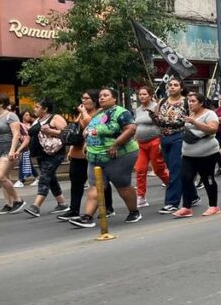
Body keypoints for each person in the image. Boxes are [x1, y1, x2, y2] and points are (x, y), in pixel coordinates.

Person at [68, 88, 142, 227]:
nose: (101, 98)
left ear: (114, 98)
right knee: (95, 186)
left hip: (119, 155)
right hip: (96, 156)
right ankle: (87, 217)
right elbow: (90, 129)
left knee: (122, 185)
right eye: (100, 96)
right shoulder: (99, 113)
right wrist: (87, 143)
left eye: (105, 95)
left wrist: (116, 145)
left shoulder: (121, 112)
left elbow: (131, 129)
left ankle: (134, 212)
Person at [59, 90, 114, 221]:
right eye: (82, 98)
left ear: (94, 100)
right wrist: (71, 148)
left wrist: (83, 113)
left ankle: (107, 207)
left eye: (86, 98)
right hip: (78, 152)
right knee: (76, 182)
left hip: (93, 152)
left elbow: (89, 125)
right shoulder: (81, 114)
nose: (83, 101)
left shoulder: (101, 112)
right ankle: (74, 209)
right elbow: (77, 131)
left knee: (100, 182)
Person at [20, 99, 70, 218]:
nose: (34, 109)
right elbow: (29, 136)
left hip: (55, 153)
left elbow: (67, 133)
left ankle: (36, 206)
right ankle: (62, 203)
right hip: (41, 154)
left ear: (45, 109)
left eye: (37, 107)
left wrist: (50, 130)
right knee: (50, 177)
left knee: (44, 177)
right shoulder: (37, 120)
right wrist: (18, 150)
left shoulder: (55, 118)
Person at [174, 92, 221, 217]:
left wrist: (195, 122)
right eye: (189, 101)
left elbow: (213, 129)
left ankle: (213, 205)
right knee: (185, 178)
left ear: (201, 103)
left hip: (207, 154)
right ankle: (186, 207)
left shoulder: (210, 114)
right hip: (188, 154)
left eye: (193, 101)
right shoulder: (191, 114)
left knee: (207, 178)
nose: (190, 103)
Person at [153, 79, 190, 214]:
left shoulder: (186, 102)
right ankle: (193, 195)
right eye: (170, 85)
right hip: (164, 137)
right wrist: (153, 116)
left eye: (175, 85)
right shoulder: (162, 101)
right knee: (173, 168)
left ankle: (171, 202)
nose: (172, 87)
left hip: (179, 136)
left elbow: (192, 118)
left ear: (181, 88)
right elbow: (157, 119)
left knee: (175, 169)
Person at [133, 85, 170, 208]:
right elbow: (136, 125)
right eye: (140, 94)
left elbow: (162, 123)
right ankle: (141, 197)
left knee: (159, 169)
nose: (142, 96)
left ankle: (173, 187)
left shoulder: (156, 107)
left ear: (150, 95)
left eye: (144, 94)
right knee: (140, 169)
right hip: (140, 143)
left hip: (155, 140)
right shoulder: (138, 109)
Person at [14, 110, 35, 187]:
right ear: (22, 116)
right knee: (26, 162)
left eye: (29, 115)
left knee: (23, 161)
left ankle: (21, 180)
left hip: (29, 145)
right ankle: (36, 178)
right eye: (26, 115)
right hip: (23, 145)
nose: (28, 116)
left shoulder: (32, 125)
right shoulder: (20, 125)